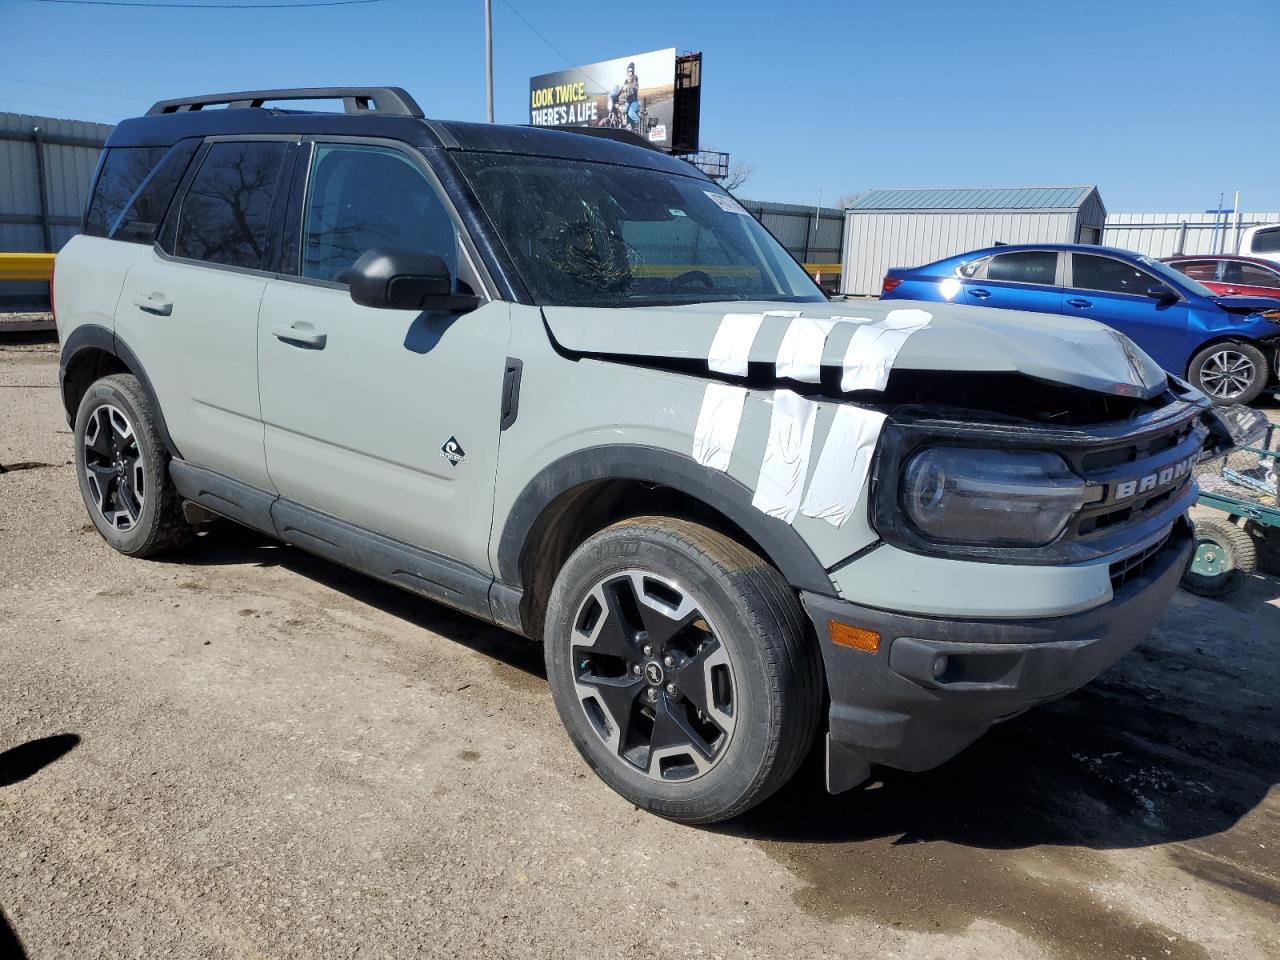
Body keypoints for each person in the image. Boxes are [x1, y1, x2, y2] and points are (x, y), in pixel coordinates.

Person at [620, 62, 640, 129]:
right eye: (628, 71)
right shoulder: (626, 80)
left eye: (631, 71)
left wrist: (629, 93)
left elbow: (634, 87)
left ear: (633, 71)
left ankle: (637, 121)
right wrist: (619, 95)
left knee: (630, 113)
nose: (630, 73)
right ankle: (623, 124)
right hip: (627, 101)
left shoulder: (635, 78)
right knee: (622, 111)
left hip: (634, 101)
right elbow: (623, 89)